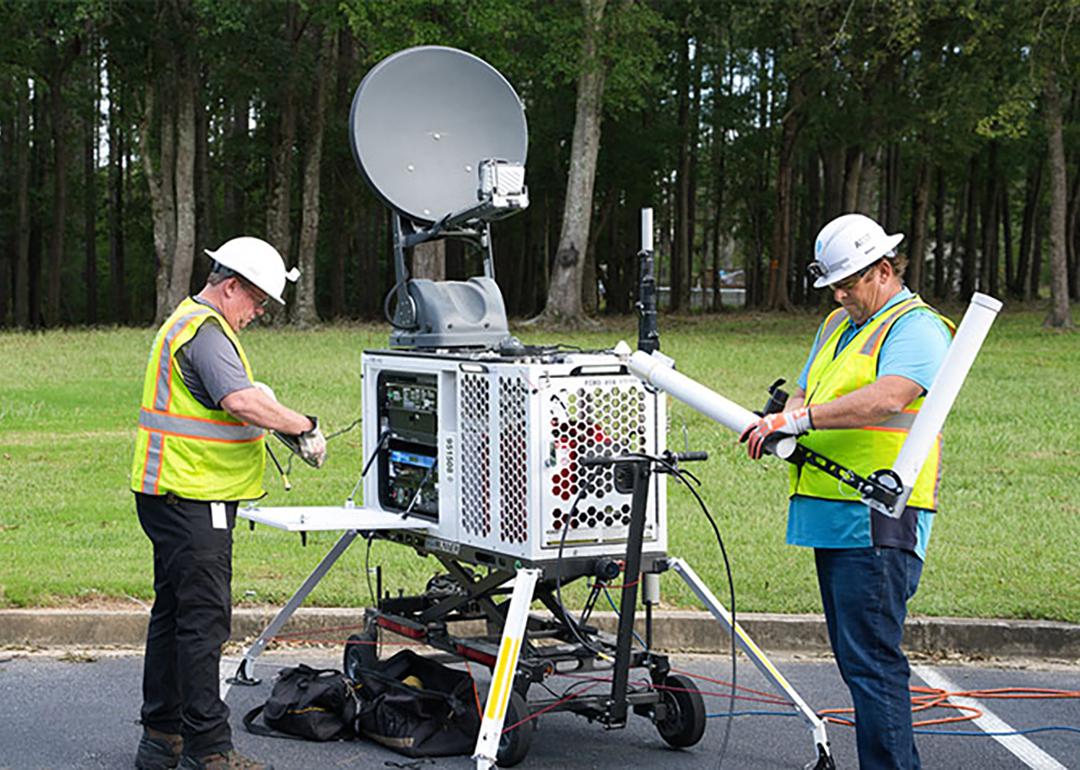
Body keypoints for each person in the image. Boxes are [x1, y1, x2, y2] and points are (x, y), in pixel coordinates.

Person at [740, 213, 954, 770]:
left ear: (884, 270)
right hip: (834, 515)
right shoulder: (838, 323)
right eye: (833, 285)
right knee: (860, 660)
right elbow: (805, 395)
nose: (839, 294)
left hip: (879, 518)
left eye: (849, 282)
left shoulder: (917, 327)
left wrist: (799, 421)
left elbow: (887, 397)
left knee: (873, 663)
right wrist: (777, 423)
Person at [130, 237, 327, 770]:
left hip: (168, 491)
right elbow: (238, 400)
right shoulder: (208, 333)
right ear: (231, 285)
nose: (259, 312)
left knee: (172, 616)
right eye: (258, 300)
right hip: (196, 496)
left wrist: (274, 416)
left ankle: (161, 738)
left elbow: (237, 397)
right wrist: (303, 425)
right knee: (203, 622)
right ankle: (209, 749)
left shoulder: (187, 321)